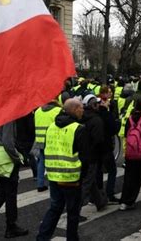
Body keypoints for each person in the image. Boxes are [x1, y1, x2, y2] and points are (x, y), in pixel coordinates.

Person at [36, 99, 88, 241]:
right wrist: (82, 175)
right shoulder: (78, 128)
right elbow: (85, 157)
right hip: (72, 177)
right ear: (75, 109)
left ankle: (42, 237)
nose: (83, 110)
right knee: (73, 212)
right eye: (81, 108)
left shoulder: (51, 126)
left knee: (55, 208)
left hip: (54, 175)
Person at [0, 121, 29, 238]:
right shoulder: (8, 118)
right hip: (7, 159)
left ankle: (11, 226)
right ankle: (11, 226)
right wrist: (17, 158)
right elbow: (8, 142)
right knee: (10, 194)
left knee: (3, 192)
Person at [80, 94, 108, 213]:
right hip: (92, 156)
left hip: (81, 155)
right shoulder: (96, 120)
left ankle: (100, 202)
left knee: (91, 181)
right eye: (97, 103)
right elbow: (99, 140)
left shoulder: (81, 117)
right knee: (87, 183)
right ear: (93, 105)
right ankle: (76, 208)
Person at [33, 99, 63, 192]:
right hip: (52, 141)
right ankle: (55, 182)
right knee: (55, 162)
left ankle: (40, 184)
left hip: (40, 140)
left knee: (41, 161)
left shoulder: (37, 111)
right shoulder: (57, 111)